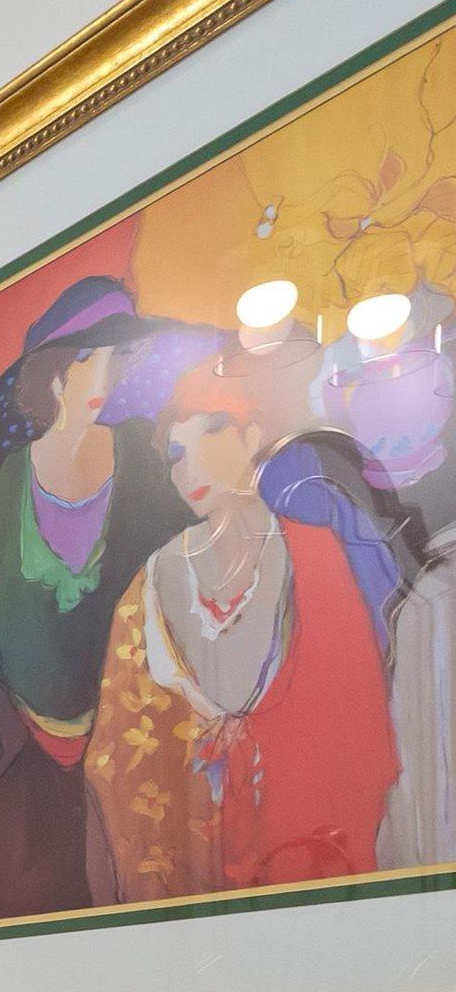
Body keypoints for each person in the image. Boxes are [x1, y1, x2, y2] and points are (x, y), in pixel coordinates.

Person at [0, 278, 206, 916]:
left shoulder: (142, 458)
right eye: (85, 357)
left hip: (139, 751)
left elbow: (193, 565)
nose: (102, 375)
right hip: (33, 760)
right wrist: (0, 705)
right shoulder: (13, 478)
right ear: (51, 370)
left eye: (116, 356)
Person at [83, 369, 403, 900]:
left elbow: (360, 718)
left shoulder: (316, 554)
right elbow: (118, 749)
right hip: (190, 868)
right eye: (176, 453)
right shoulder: (155, 578)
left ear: (252, 437)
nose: (189, 468)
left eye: (210, 433)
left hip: (304, 853)